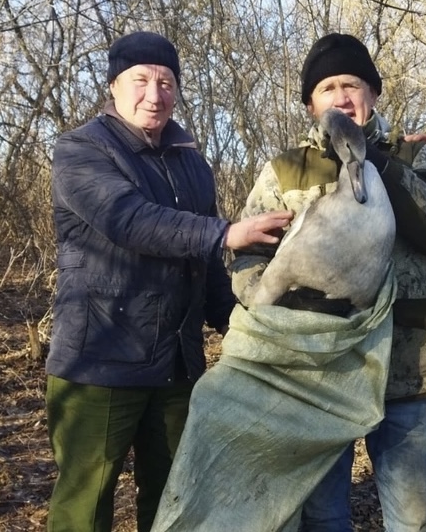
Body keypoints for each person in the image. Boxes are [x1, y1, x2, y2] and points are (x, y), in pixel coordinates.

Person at [45, 30, 292, 532]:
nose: (154, 94)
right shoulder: (80, 151)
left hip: (177, 367)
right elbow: (129, 220)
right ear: (113, 85)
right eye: (140, 80)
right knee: (84, 506)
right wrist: (227, 233)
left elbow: (206, 270)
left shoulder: (192, 163)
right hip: (100, 362)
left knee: (172, 501)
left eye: (166, 82)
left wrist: (248, 327)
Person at [230, 32, 426, 532]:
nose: (341, 97)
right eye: (328, 87)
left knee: (414, 519)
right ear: (311, 102)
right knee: (322, 517)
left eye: (352, 84)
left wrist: (377, 164)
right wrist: (282, 318)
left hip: (408, 362)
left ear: (373, 93)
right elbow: (248, 263)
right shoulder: (284, 171)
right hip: (318, 369)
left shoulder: (413, 157)